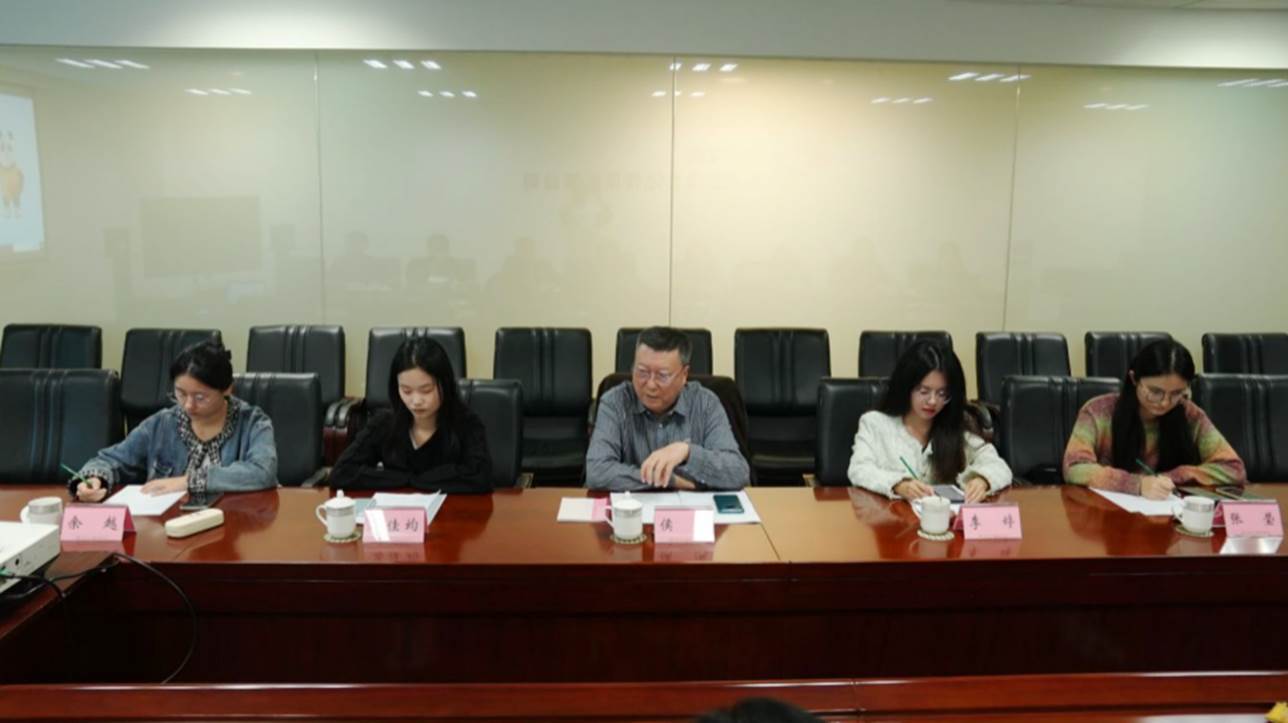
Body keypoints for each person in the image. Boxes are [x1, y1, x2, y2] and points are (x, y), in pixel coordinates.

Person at [72, 341, 277, 501]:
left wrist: (189, 481)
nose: (188, 405)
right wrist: (95, 479)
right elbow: (110, 460)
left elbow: (262, 472)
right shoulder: (162, 424)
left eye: (200, 397)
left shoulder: (253, 423)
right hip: (169, 525)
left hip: (235, 523)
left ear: (227, 389)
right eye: (180, 394)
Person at [1063, 339, 1245, 499]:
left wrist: (1175, 476)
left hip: (1169, 515)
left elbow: (1233, 469)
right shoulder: (1098, 411)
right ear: (1134, 379)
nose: (1165, 402)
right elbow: (1075, 467)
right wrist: (1137, 484)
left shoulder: (1190, 415)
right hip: (1108, 514)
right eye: (1155, 392)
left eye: (1176, 393)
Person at [586, 326, 749, 491]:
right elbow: (596, 472)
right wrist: (672, 481)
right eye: (642, 372)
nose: (650, 385)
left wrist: (687, 452)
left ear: (684, 375)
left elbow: (738, 472)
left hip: (692, 507)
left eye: (662, 375)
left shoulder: (705, 403)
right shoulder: (615, 402)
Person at [848, 341, 1011, 502]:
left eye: (942, 393)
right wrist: (899, 484)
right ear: (906, 387)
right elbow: (859, 469)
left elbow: (999, 466)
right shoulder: (875, 424)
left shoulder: (954, 430)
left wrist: (982, 480)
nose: (932, 401)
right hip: (892, 516)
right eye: (924, 391)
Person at [329, 336, 491, 493]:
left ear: (445, 384)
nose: (416, 401)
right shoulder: (384, 423)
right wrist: (406, 479)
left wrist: (413, 480)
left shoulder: (466, 423)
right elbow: (341, 473)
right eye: (406, 391)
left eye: (426, 390)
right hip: (397, 510)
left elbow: (480, 477)